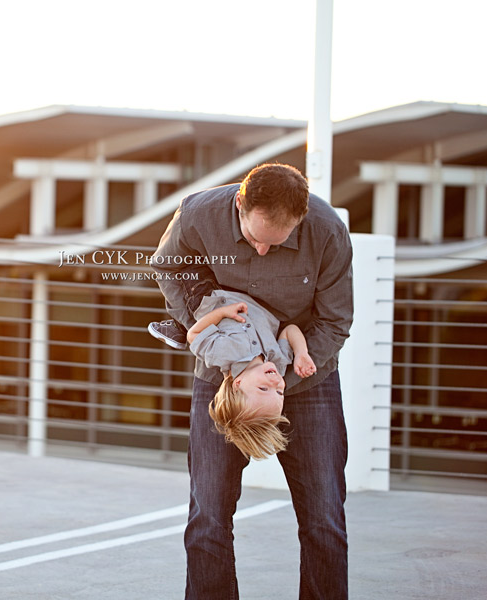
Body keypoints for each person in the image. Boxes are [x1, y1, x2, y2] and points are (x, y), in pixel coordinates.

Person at [151, 163, 353, 599]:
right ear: (240, 203)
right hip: (223, 379)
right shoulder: (195, 214)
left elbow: (335, 322)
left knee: (324, 517)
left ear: (300, 219)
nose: (262, 250)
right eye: (255, 237)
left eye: (276, 243)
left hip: (306, 375)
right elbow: (168, 268)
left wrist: (280, 370)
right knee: (208, 514)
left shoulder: (329, 231)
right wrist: (219, 340)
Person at [185, 288, 317, 459]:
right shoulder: (279, 363)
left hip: (218, 292)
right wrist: (301, 352)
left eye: (263, 388)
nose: (275, 382)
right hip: (261, 296)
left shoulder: (223, 354)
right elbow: (289, 330)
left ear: (238, 384)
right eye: (279, 392)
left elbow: (193, 335)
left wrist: (222, 313)